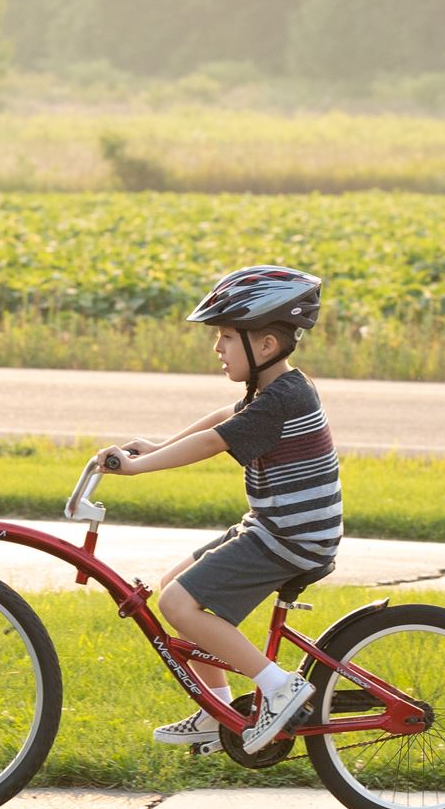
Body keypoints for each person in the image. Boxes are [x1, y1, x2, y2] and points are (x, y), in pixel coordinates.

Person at [95, 265, 340, 755]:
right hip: (275, 529)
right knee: (175, 586)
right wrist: (159, 445)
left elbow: (213, 441)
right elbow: (223, 419)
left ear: (265, 346)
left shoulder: (281, 399)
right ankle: (217, 712)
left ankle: (280, 688)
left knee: (176, 605)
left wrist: (139, 469)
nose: (217, 348)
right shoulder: (276, 390)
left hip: (289, 539)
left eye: (227, 337)